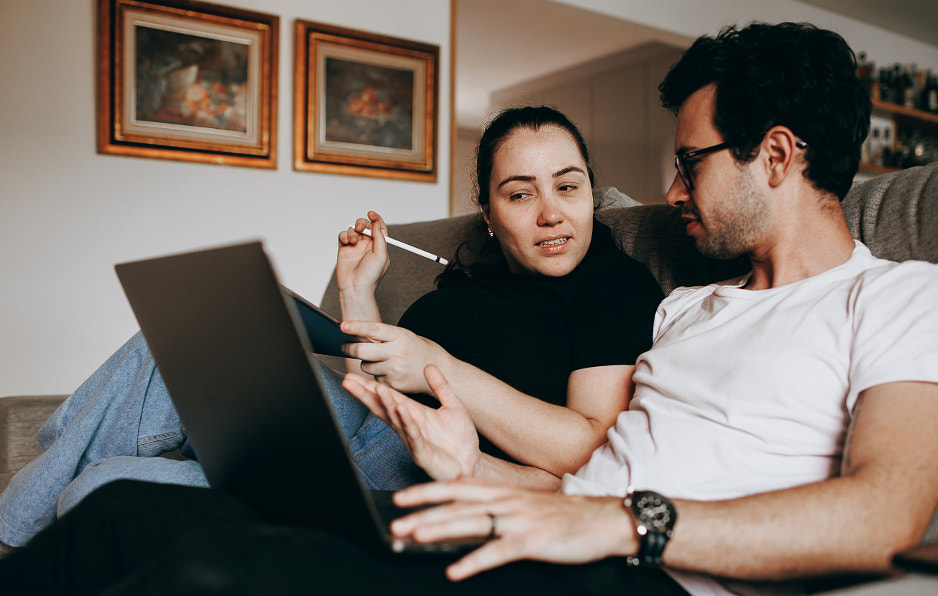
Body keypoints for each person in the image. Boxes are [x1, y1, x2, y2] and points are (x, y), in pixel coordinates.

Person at [0, 22, 938, 596]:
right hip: (534, 527)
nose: (672, 189)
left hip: (658, 587)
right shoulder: (691, 310)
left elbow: (882, 513)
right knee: (125, 514)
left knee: (224, 592)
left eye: (689, 160)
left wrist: (617, 523)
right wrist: (467, 461)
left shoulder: (906, 296)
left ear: (774, 155)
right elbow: (588, 466)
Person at [0, 105, 664, 549]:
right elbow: (372, 383)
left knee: (95, 490)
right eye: (520, 193)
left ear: (591, 194)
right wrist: (357, 284)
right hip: (365, 426)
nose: (550, 212)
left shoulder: (613, 284)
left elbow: (590, 448)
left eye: (568, 186)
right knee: (185, 340)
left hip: (427, 477)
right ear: (489, 213)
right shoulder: (470, 280)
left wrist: (442, 364)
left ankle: (20, 525)